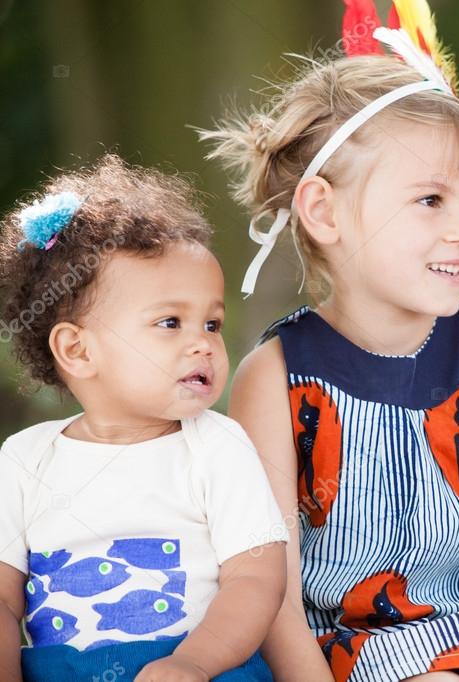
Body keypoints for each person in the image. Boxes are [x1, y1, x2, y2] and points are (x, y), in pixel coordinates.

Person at [203, 2, 459, 680]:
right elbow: (270, 577)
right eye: (430, 201)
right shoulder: (273, 377)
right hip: (359, 641)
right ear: (323, 211)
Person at [0, 155, 288, 682]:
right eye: (170, 322)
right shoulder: (23, 460)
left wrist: (193, 662)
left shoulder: (218, 446)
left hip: (203, 664)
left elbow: (256, 578)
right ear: (78, 350)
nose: (202, 342)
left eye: (212, 322)